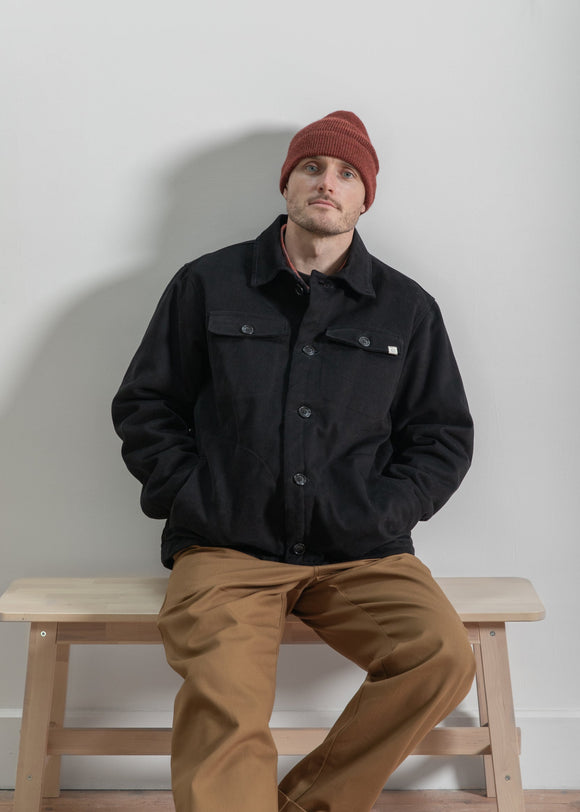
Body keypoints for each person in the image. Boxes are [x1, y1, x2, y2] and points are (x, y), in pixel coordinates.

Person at [112, 111, 476, 812]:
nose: (327, 184)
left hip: (361, 553)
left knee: (440, 657)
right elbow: (145, 406)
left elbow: (442, 436)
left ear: (365, 197)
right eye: (312, 167)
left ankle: (310, 803)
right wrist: (196, 497)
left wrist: (380, 511)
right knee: (224, 704)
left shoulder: (407, 308)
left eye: (346, 174)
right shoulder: (207, 285)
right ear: (287, 183)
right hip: (227, 549)